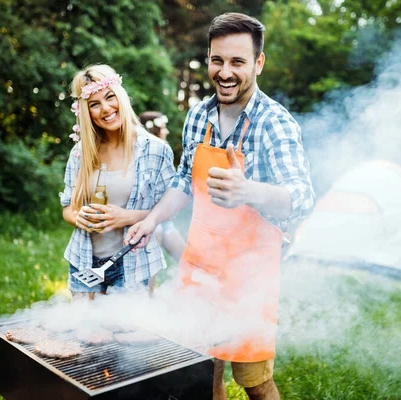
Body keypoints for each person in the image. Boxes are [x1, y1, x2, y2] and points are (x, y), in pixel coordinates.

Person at [126, 13, 315, 400]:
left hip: (251, 279)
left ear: (258, 63)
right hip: (200, 266)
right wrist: (153, 219)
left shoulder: (274, 124)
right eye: (217, 60)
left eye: (237, 62)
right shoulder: (198, 115)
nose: (225, 72)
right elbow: (182, 181)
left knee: (254, 381)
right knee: (203, 371)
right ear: (208, 58)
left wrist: (249, 191)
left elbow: (302, 197)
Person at [60, 64, 176, 299]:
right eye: (94, 104)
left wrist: (126, 217)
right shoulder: (81, 152)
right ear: (86, 111)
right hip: (84, 260)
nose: (106, 108)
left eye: (109, 97)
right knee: (86, 332)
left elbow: (170, 209)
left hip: (134, 263)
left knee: (127, 334)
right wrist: (78, 217)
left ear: (120, 96)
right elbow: (67, 208)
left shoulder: (155, 149)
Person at [139, 111, 186, 263]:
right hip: (144, 218)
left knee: (186, 258)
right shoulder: (141, 154)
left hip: (165, 221)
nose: (167, 131)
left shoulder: (165, 152)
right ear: (154, 130)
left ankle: (189, 285)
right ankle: (148, 288)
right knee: (155, 238)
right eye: (163, 128)